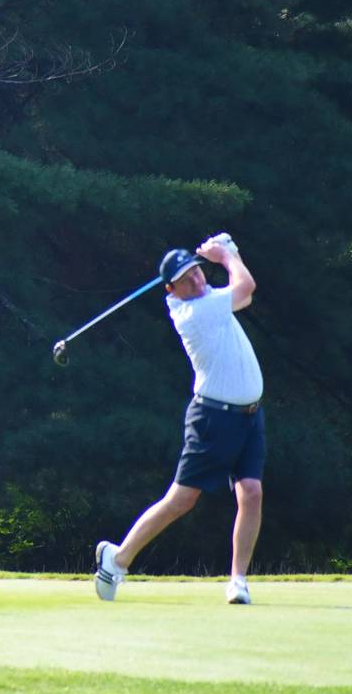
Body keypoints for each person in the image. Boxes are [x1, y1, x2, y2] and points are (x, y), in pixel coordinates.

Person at [94, 233, 263, 605]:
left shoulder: (209, 300)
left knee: (251, 492)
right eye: (186, 279)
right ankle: (118, 560)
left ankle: (238, 580)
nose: (197, 281)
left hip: (250, 416)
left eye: (197, 272)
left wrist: (229, 255)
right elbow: (246, 286)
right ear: (171, 289)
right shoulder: (194, 313)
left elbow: (244, 296)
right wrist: (227, 255)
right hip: (213, 418)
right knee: (182, 499)